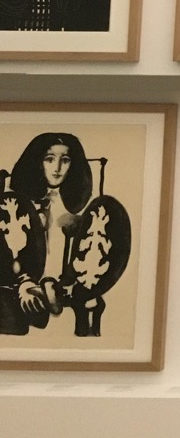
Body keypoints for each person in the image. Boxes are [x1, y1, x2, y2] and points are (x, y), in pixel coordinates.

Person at [0, 131, 130, 337]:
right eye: (49, 159)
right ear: (37, 162)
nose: (57, 168)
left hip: (70, 290)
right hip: (24, 290)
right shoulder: (15, 206)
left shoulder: (81, 212)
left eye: (66, 160)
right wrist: (23, 282)